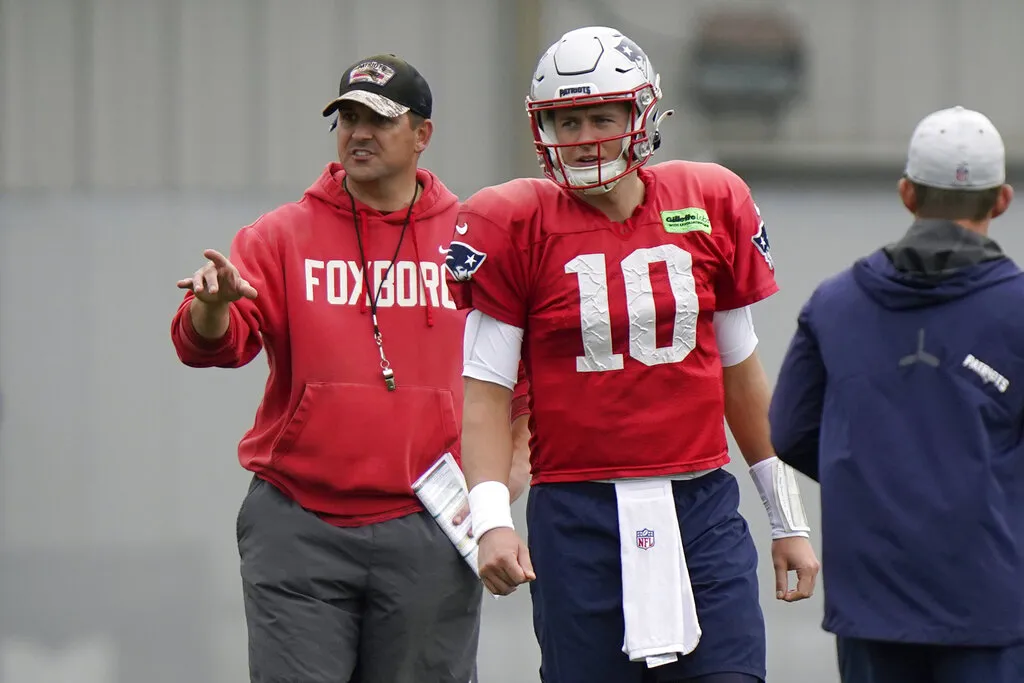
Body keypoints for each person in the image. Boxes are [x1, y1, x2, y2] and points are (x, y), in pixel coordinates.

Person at [444, 26, 820, 683]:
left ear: (640, 114)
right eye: (566, 120)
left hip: (698, 501)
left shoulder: (710, 201)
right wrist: (491, 520)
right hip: (577, 511)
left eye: (600, 116)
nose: (583, 134)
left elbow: (744, 380)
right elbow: (486, 394)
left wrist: (788, 518)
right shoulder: (513, 224)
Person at [170, 53, 530, 683]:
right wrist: (209, 308)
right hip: (298, 522)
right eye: (347, 118)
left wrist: (500, 489)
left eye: (379, 120)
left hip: (428, 526)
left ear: (423, 135)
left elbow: (524, 388)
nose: (358, 132)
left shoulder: (473, 238)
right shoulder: (281, 235)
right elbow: (213, 346)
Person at [769, 105, 1024, 683]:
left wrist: (876, 476)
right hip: (989, 602)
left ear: (907, 193)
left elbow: (788, 431)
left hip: (870, 602)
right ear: (1002, 200)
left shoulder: (834, 304)